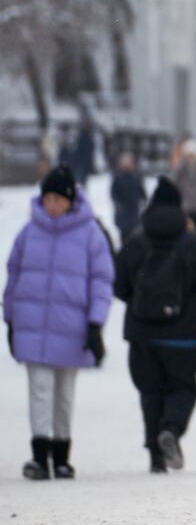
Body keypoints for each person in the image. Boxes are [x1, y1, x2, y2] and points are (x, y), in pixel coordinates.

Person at [4, 166, 115, 481]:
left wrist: (95, 324)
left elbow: (102, 282)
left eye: (57, 198)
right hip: (33, 326)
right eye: (47, 198)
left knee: (63, 394)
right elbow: (13, 278)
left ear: (70, 200)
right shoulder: (29, 233)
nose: (52, 204)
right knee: (40, 390)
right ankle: (40, 457)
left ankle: (62, 455)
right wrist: (10, 318)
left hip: (72, 329)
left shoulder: (90, 234)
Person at [112, 177, 196, 473]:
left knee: (150, 392)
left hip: (142, 334)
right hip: (182, 335)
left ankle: (155, 458)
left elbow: (118, 285)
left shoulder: (136, 240)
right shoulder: (189, 242)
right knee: (183, 388)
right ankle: (171, 428)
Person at [110, 152, 147, 246]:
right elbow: (114, 193)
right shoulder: (118, 178)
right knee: (124, 235)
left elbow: (142, 191)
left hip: (134, 211)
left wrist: (144, 200)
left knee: (134, 234)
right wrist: (117, 202)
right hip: (123, 213)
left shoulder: (136, 177)